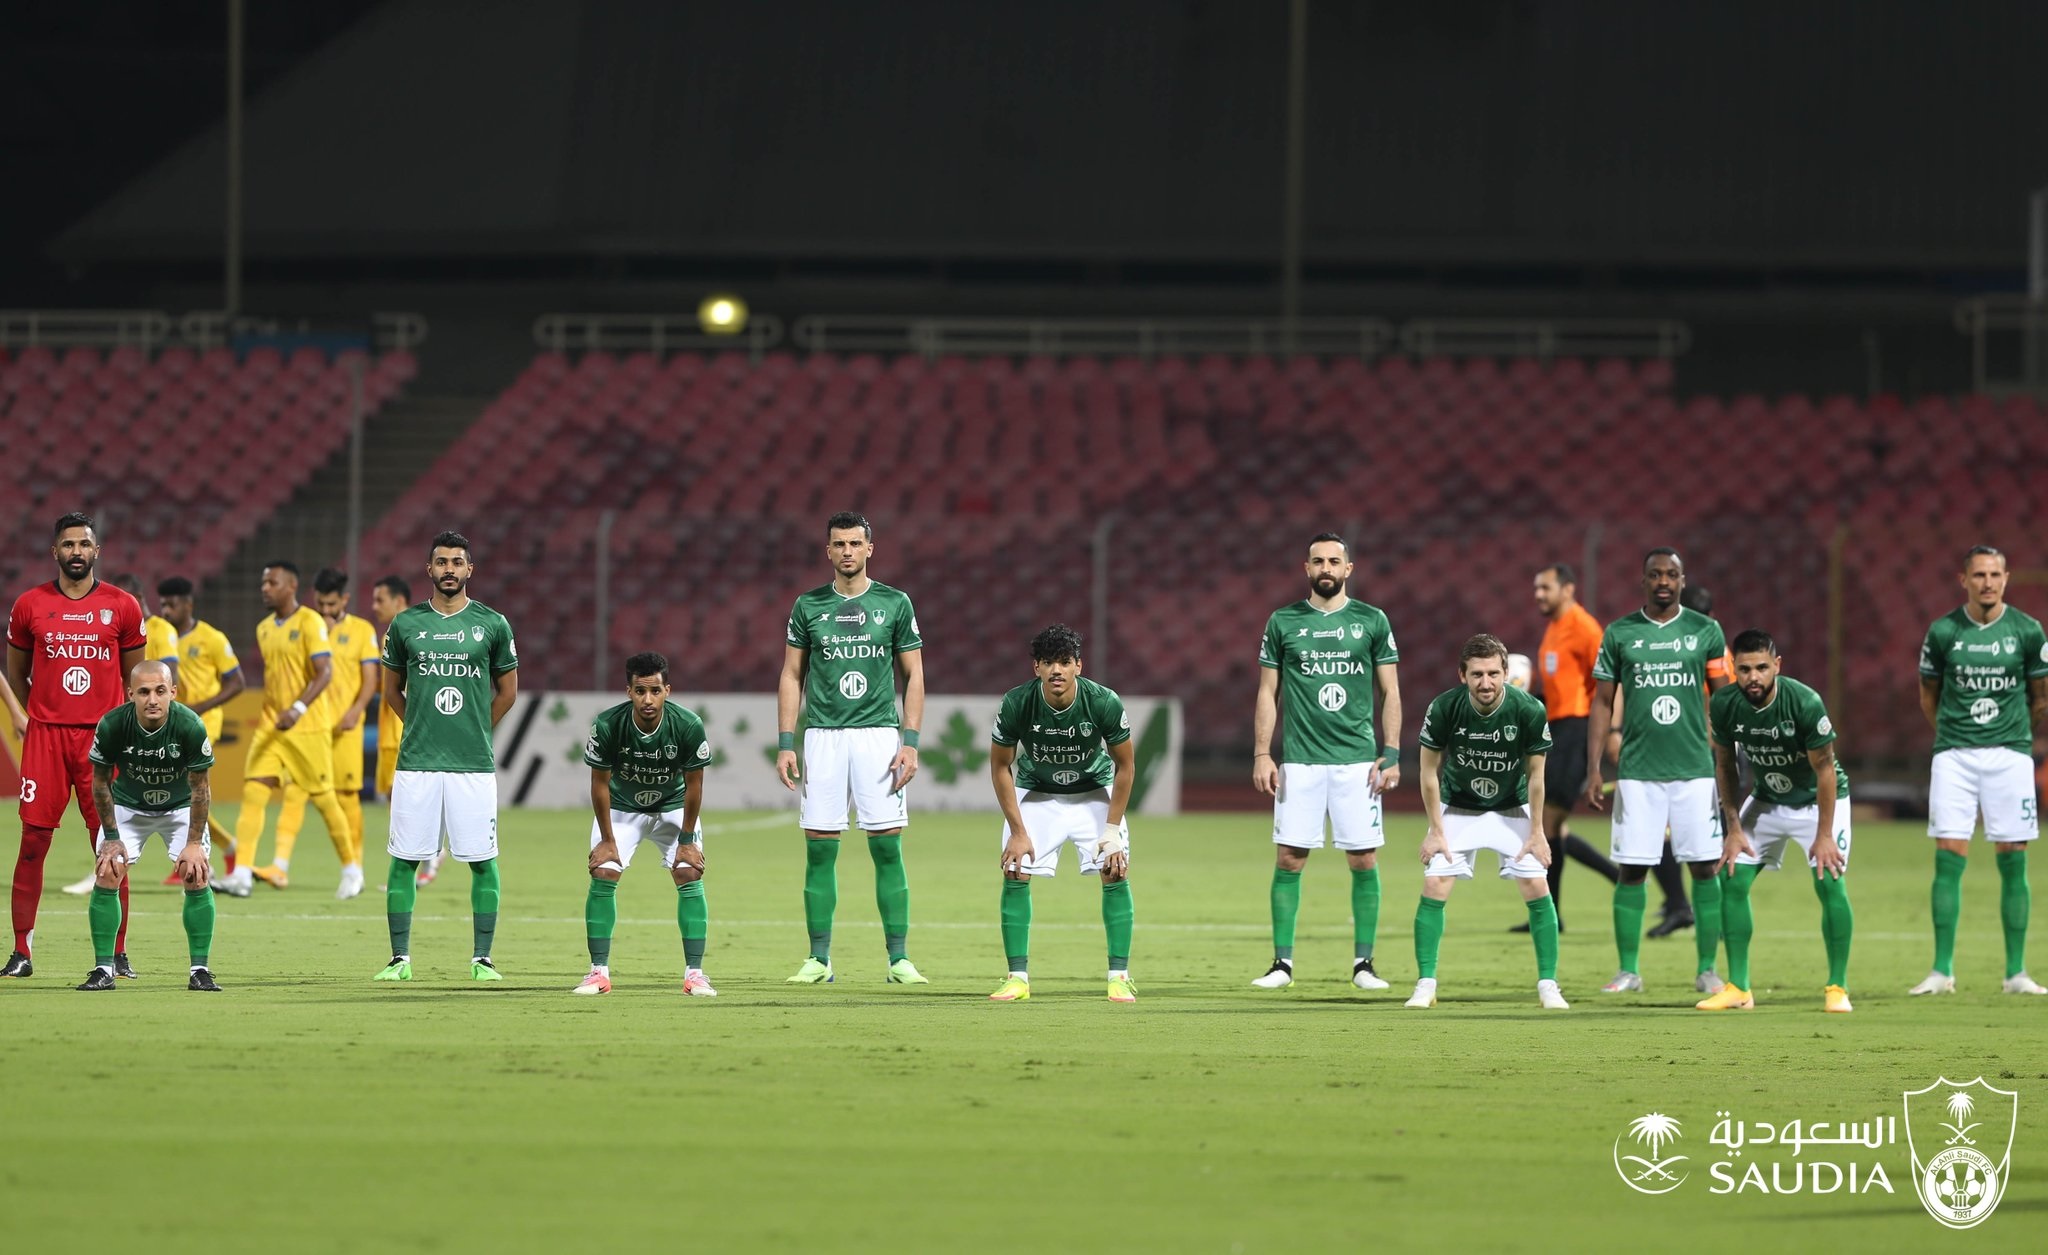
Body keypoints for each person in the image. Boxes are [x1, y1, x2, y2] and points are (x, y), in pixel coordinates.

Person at [775, 511, 928, 985]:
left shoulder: (895, 604)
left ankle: (899, 960)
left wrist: (911, 741)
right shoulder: (807, 606)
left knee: (887, 848)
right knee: (820, 849)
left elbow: (914, 675)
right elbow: (791, 675)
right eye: (838, 544)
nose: (846, 552)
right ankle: (818, 960)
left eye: (854, 544)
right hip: (822, 736)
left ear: (869, 549)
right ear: (828, 551)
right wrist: (786, 743)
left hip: (879, 737)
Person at [1251, 532, 1401, 991]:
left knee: (1363, 860)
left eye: (1335, 561)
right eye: (1318, 562)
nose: (1327, 569)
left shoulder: (1372, 621)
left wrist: (1392, 753)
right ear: (1307, 569)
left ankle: (1364, 965)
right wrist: (1262, 752)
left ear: (1348, 569)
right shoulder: (1283, 622)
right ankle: (1282, 965)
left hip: (1358, 763)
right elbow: (1267, 692)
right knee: (1290, 859)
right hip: (1300, 761)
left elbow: (1391, 691)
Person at [4, 513, 145, 980]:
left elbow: (136, 682)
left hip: (102, 741)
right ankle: (22, 951)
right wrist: (32, 718)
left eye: (84, 544)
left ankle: (117, 952)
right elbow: (19, 671)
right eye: (68, 545)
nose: (77, 552)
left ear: (97, 551)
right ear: (55, 552)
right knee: (31, 844)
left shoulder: (122, 607)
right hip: (45, 740)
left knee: (110, 847)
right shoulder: (29, 605)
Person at [1584, 548, 1730, 996]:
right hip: (1638, 771)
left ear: (1683, 580)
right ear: (1642, 581)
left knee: (1705, 869)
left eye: (1671, 574)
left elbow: (1725, 699)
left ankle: (1707, 969)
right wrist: (1594, 766)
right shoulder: (1620, 633)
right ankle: (1629, 971)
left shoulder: (1705, 630)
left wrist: (1727, 760)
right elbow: (1603, 702)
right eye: (1655, 574)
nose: (1663, 581)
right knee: (1632, 869)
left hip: (1694, 770)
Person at [374, 531, 518, 983]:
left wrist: (474, 729)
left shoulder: (493, 624)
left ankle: (482, 959)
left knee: (482, 860)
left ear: (470, 569)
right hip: (416, 762)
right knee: (404, 860)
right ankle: (399, 959)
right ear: (429, 569)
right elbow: (391, 690)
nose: (449, 569)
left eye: (458, 562)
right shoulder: (405, 624)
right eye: (442, 562)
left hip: (472, 764)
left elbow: (508, 692)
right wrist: (419, 723)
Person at [1910, 545, 2048, 996]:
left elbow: (2040, 697)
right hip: (1955, 755)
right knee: (1948, 856)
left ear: (2007, 578)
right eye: (1978, 575)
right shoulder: (1944, 631)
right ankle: (1941, 971)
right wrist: (1955, 734)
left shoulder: (2028, 631)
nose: (1987, 582)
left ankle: (2016, 974)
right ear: (1963, 580)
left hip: (2010, 755)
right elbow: (1928, 694)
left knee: (2013, 858)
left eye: (1995, 574)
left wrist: (2014, 736)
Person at [1409, 633, 1568, 1010]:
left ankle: (1548, 984)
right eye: (1477, 674)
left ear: (1506, 673)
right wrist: (1435, 830)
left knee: (1535, 885)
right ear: (1462, 674)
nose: (1486, 683)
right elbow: (1428, 772)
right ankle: (1425, 984)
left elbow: (1537, 777)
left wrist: (1538, 833)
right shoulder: (1445, 708)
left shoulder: (1528, 710)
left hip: (1511, 807)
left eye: (1494, 674)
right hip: (1459, 806)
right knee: (1436, 885)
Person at [987, 624, 1139, 1003]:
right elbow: (1000, 768)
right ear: (1036, 667)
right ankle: (1017, 978)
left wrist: (1111, 829)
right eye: (1049, 662)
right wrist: (1018, 831)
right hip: (1038, 794)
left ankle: (1119, 976)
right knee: (1015, 867)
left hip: (1093, 793)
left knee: (1114, 868)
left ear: (1078, 666)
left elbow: (1125, 767)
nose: (1057, 670)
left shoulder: (1103, 701)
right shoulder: (1017, 703)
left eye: (1065, 662)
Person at [1705, 630, 1855, 1013]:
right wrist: (1734, 828)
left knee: (1829, 881)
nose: (1753, 677)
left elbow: (1824, 770)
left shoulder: (1804, 702)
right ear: (1732, 668)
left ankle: (1837, 987)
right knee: (1733, 877)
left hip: (1817, 803)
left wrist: (1823, 835)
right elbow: (1725, 765)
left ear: (1777, 666)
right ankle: (1739, 987)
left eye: (1761, 668)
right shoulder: (1724, 705)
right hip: (1768, 799)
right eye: (1744, 669)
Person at [576, 652, 715, 996]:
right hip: (623, 809)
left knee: (688, 870)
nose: (648, 700)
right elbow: (599, 784)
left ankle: (695, 974)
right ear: (629, 691)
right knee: (604, 870)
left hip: (672, 806)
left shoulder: (688, 725)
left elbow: (695, 786)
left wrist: (686, 838)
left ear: (668, 689)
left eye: (655, 691)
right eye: (640, 691)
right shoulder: (608, 724)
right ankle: (598, 972)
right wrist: (608, 838)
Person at [213, 562, 353, 895]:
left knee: (324, 800)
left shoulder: (310, 621)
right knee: (254, 792)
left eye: (271, 582)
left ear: (291, 586)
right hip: (272, 728)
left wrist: (299, 708)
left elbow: (325, 672)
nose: (265, 588)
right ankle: (242, 873)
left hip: (308, 727)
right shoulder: (264, 628)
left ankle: (351, 869)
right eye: (263, 582)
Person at [81, 661, 221, 991]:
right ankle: (104, 969)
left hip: (179, 807)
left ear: (173, 692)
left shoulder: (190, 725)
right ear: (131, 695)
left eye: (160, 691)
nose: (152, 699)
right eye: (143, 692)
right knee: (107, 870)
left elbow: (201, 788)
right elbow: (99, 783)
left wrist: (193, 843)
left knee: (194, 870)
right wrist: (113, 838)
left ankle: (199, 970)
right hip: (129, 807)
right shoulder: (113, 724)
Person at [1515, 562, 1619, 935]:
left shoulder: (1584, 628)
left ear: (1568, 589)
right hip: (1558, 725)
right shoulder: (1555, 628)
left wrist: (1611, 731)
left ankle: (1550, 914)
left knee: (1548, 822)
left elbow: (1609, 683)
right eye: (1536, 588)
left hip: (1577, 727)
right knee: (1553, 826)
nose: (1539, 595)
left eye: (1545, 588)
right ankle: (1554, 912)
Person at [269, 568, 378, 899]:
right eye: (320, 603)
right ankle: (279, 866)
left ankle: (354, 868)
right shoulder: (307, 626)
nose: (326, 610)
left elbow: (371, 677)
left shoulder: (361, 630)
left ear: (344, 599)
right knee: (295, 792)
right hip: (311, 727)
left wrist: (357, 710)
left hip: (344, 728)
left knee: (345, 798)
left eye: (331, 604)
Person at [154, 576, 244, 888]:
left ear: (188, 604)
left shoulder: (212, 638)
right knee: (180, 791)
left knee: (185, 787)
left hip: (206, 723)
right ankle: (221, 848)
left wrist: (203, 706)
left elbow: (237, 682)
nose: (166, 610)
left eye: (172, 604)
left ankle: (195, 856)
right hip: (176, 721)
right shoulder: (162, 637)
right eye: (162, 604)